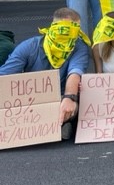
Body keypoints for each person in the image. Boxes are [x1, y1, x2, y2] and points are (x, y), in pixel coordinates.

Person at [0, 7, 90, 140]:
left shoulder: (79, 47)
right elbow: (5, 76)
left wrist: (69, 98)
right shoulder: (29, 46)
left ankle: (66, 123)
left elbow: (75, 72)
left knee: (83, 99)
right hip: (29, 103)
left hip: (61, 98)